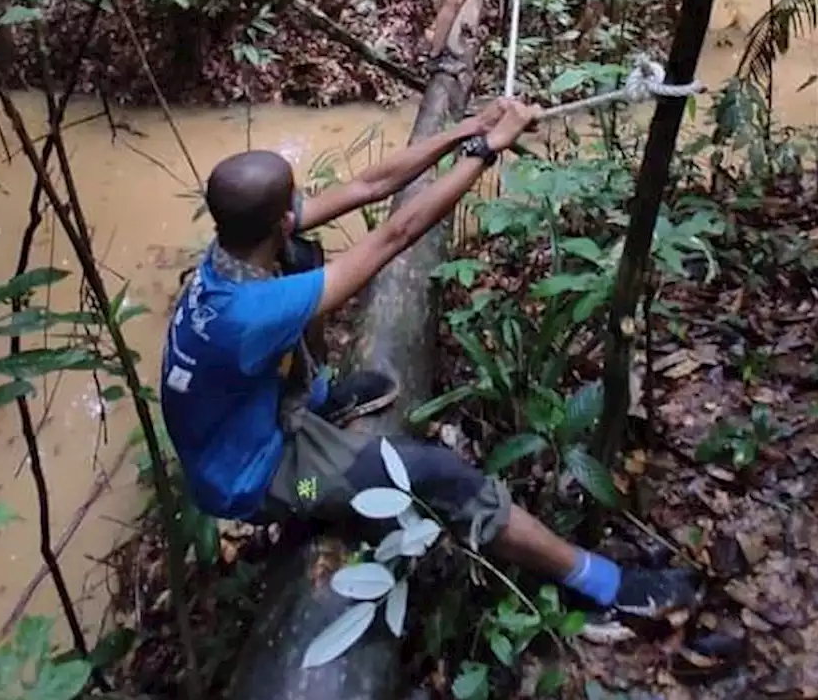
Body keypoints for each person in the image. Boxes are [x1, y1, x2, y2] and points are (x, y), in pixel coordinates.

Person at [160, 98, 701, 619]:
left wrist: (469, 129)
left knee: (303, 259)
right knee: (440, 475)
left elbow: (368, 185)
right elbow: (398, 232)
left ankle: (319, 401)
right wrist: (486, 153)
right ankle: (602, 585)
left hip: (247, 425)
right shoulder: (253, 310)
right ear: (280, 219)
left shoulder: (231, 254)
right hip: (257, 485)